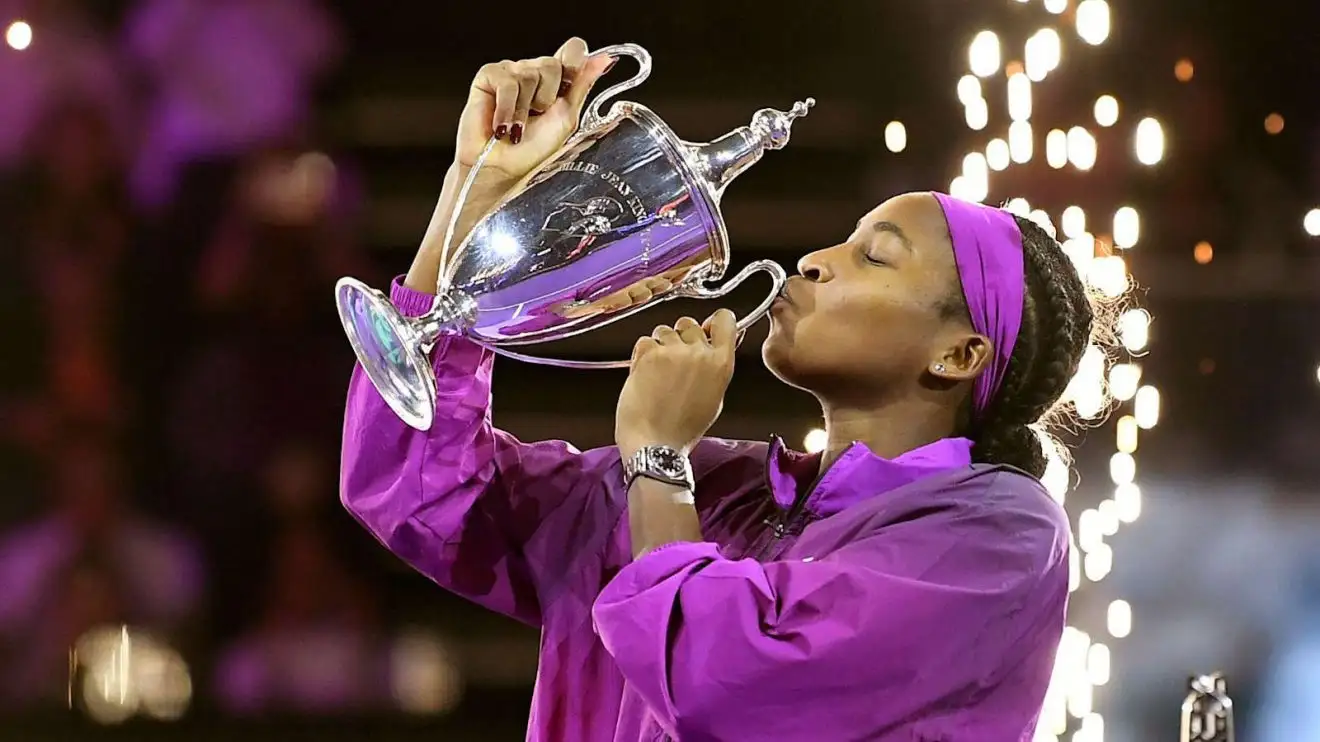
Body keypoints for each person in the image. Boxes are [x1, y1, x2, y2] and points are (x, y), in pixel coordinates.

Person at [340, 37, 1098, 741]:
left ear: (960, 354)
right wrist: (476, 200)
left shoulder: (999, 535)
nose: (815, 260)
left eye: (874, 258)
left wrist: (657, 459)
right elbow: (417, 489)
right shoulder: (721, 486)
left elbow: (724, 686)